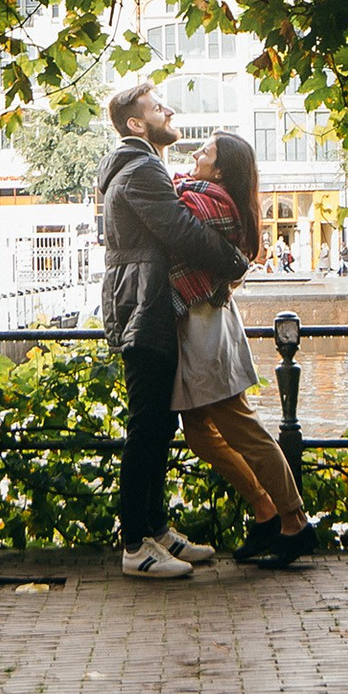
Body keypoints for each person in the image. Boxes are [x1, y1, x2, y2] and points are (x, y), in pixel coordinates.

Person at [97, 79, 247, 579]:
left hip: (145, 300)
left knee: (159, 424)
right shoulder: (141, 170)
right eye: (158, 108)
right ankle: (136, 545)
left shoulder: (142, 165)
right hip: (145, 304)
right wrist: (234, 261)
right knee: (146, 425)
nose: (170, 111)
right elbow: (181, 231)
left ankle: (156, 529)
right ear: (137, 124)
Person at [170, 132, 321, 566]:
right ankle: (265, 511)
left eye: (206, 152)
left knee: (243, 431)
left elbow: (169, 219)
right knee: (200, 434)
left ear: (220, 170)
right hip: (205, 325)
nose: (196, 154)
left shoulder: (210, 203)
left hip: (205, 330)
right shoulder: (212, 196)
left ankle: (294, 522)